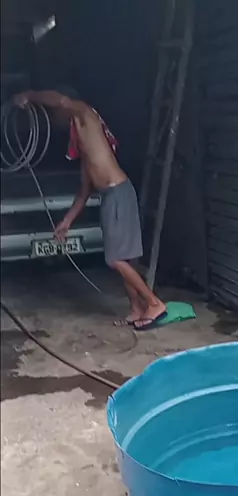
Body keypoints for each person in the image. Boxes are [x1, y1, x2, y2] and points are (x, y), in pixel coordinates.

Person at [14, 88, 167, 330]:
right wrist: (67, 221)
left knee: (115, 259)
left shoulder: (85, 115)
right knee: (124, 258)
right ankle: (137, 309)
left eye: (54, 114)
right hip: (110, 196)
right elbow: (84, 192)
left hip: (118, 192)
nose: (54, 120)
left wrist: (30, 95)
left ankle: (154, 303)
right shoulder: (81, 141)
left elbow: (62, 100)